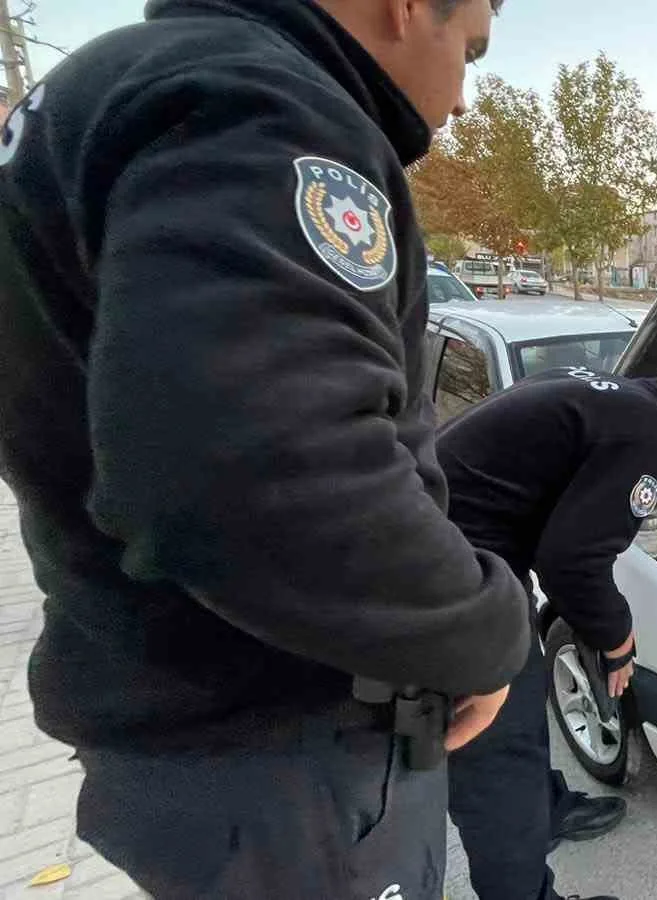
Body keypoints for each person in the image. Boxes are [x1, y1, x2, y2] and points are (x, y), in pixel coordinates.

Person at [0, 0, 532, 896]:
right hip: (278, 747)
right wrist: (486, 635)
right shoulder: (267, 105)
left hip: (187, 723)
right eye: (471, 50)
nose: (464, 97)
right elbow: (270, 478)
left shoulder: (116, 83)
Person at [440, 359, 657, 900]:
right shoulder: (652, 435)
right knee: (498, 761)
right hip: (452, 579)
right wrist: (617, 638)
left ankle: (545, 808)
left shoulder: (605, 388)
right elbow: (570, 561)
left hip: (463, 548)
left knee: (522, 708)